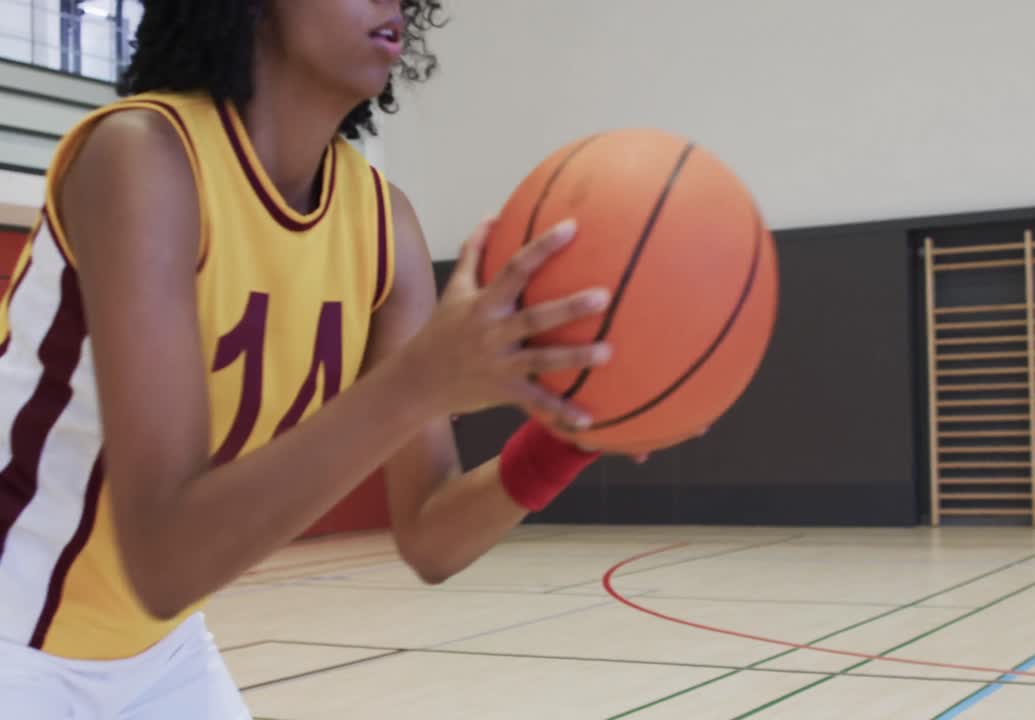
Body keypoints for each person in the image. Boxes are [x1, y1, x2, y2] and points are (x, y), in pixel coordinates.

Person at [0, 1, 637, 716]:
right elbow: (164, 562)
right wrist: (419, 383)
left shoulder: (380, 222)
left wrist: (572, 436)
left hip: (156, 649)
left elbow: (431, 536)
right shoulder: (142, 155)